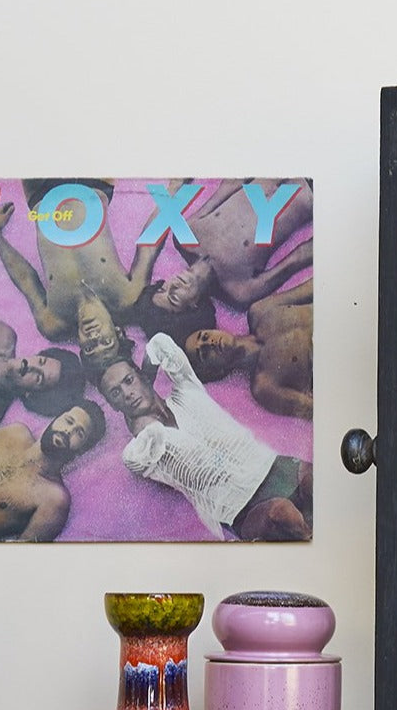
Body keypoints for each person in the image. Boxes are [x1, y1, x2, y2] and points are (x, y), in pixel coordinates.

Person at [98, 333, 312, 541]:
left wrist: (147, 373)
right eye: (115, 393)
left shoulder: (186, 388)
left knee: (314, 480)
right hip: (242, 508)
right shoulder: (140, 449)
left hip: (275, 466)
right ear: (113, 406)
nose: (127, 393)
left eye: (129, 381)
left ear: (141, 375)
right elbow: (133, 460)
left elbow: (160, 343)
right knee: (282, 513)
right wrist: (143, 425)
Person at [127, 178, 312, 341]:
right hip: (310, 192)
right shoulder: (238, 291)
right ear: (193, 308)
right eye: (173, 297)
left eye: (162, 288)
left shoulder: (183, 239)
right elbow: (298, 258)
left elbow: (227, 187)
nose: (172, 284)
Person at [0, 179, 166, 342]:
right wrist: (172, 191)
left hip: (41, 196)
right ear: (118, 332)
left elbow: (27, 281)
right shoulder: (128, 298)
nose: (93, 337)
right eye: (105, 342)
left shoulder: (53, 322)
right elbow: (148, 247)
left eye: (89, 348)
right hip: (93, 184)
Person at [0, 400, 106, 542]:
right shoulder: (13, 434)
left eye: (79, 433)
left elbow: (23, 554)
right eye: (68, 421)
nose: (68, 431)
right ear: (56, 418)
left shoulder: (53, 499)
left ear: (81, 450)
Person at [0, 292, 85, 449]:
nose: (31, 366)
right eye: (41, 361)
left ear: (31, 395)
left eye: (38, 378)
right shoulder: (1, 336)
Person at [183, 279, 313, 419]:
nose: (209, 343)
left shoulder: (260, 311)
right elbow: (313, 410)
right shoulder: (264, 387)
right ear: (215, 371)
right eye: (204, 353)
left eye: (205, 336)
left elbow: (309, 289)